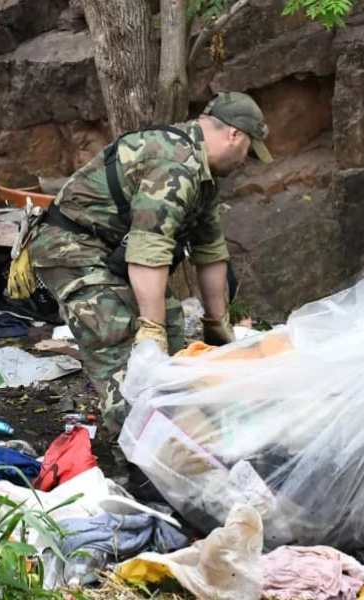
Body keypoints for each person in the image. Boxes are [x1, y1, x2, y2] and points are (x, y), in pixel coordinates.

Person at [27, 91, 272, 451]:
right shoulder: (176, 163)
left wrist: (217, 324)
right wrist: (149, 330)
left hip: (113, 253)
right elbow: (149, 248)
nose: (245, 161)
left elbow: (210, 251)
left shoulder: (202, 174)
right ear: (234, 134)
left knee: (173, 339)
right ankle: (145, 457)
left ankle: (188, 440)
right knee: (124, 349)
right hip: (72, 249)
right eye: (249, 150)